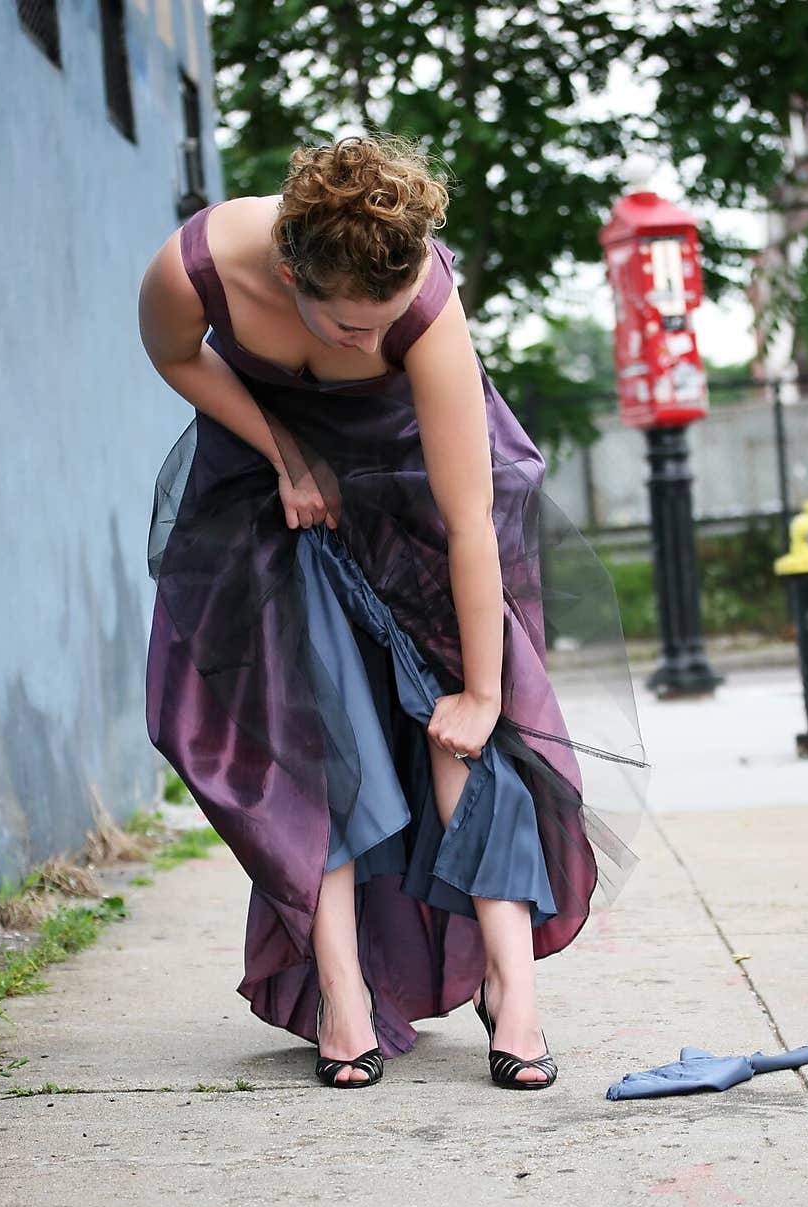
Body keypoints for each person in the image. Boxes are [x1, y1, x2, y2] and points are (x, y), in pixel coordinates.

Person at [139, 134, 649, 1091]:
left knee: (465, 737)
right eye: (348, 330)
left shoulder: (424, 311)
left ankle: (513, 987)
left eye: (388, 325)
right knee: (315, 727)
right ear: (290, 273)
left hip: (421, 486)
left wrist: (484, 694)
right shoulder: (194, 268)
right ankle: (342, 991)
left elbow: (469, 525)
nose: (374, 345)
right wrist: (283, 447)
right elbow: (174, 354)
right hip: (268, 485)